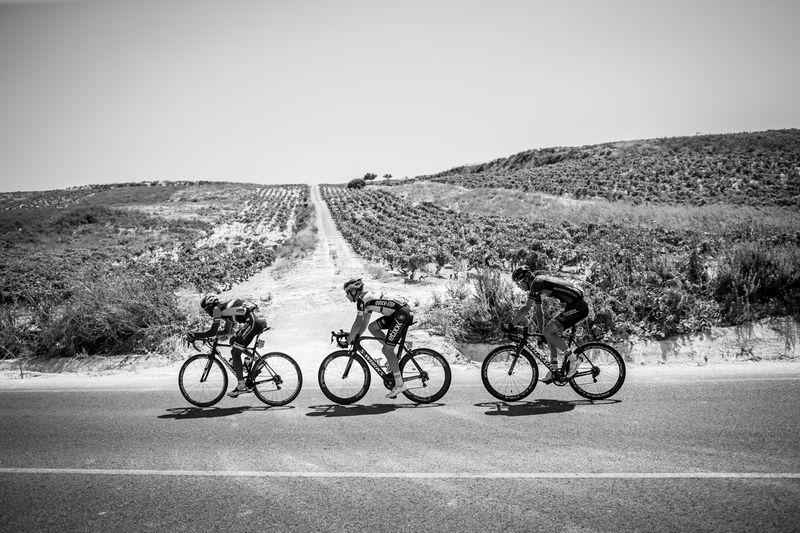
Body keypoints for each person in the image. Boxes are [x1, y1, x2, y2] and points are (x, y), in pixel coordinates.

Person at [508, 266, 588, 384]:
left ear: (525, 279)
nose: (518, 286)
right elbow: (539, 312)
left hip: (578, 307)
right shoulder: (537, 286)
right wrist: (542, 334)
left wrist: (510, 324)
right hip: (573, 306)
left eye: (518, 283)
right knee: (549, 334)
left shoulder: (536, 283)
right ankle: (554, 371)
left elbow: (526, 308)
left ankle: (574, 359)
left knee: (548, 332)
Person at [343, 278, 413, 399]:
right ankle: (393, 356)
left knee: (386, 350)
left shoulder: (361, 300)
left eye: (347, 293)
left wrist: (348, 341)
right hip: (398, 312)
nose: (346, 296)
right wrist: (356, 336)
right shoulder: (366, 299)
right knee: (372, 327)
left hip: (401, 314)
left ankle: (399, 384)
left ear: (354, 291)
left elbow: (357, 324)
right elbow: (364, 323)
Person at [187, 294, 267, 397]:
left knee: (235, 352)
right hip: (255, 321)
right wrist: (211, 336)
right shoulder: (226, 310)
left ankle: (241, 386)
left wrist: (196, 335)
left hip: (253, 323)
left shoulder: (217, 310)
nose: (207, 313)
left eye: (206, 310)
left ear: (211, 306)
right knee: (233, 341)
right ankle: (257, 360)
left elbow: (212, 331)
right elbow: (226, 331)